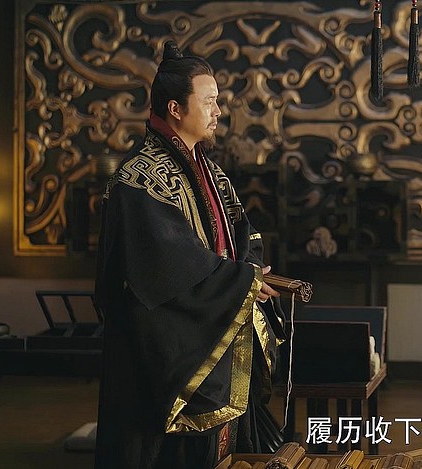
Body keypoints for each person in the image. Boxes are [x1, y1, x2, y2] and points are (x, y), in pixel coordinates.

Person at [95, 40, 284, 468]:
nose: (218, 111)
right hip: (167, 347)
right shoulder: (139, 178)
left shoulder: (209, 171)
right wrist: (244, 282)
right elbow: (167, 268)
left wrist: (250, 271)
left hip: (216, 329)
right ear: (175, 109)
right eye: (209, 101)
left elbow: (245, 233)